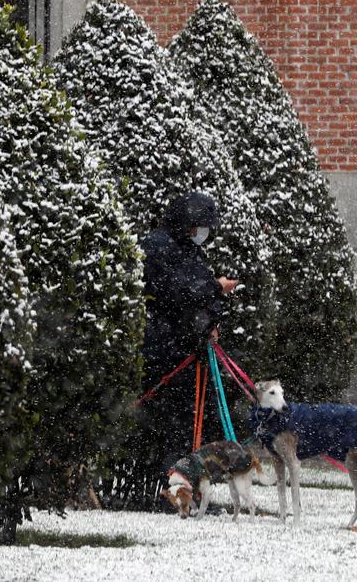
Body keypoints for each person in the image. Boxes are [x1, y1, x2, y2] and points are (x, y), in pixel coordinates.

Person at [137, 191, 239, 503]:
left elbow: (198, 296)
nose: (202, 234)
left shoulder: (191, 252)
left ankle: (189, 488)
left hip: (190, 353)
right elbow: (174, 293)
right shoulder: (157, 247)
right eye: (198, 226)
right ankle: (172, 490)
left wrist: (212, 322)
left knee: (194, 425)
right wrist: (215, 288)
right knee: (172, 427)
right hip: (165, 355)